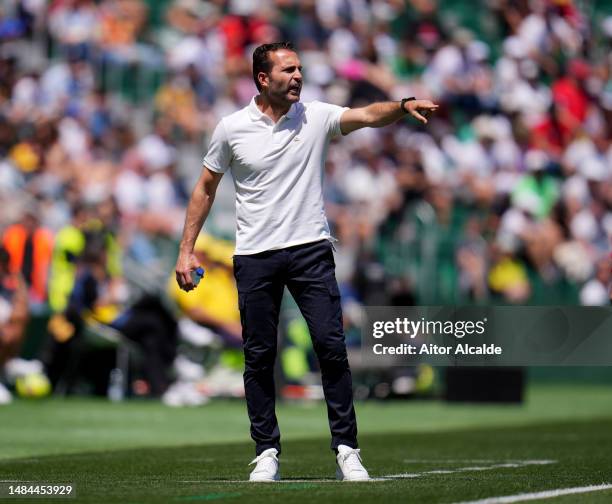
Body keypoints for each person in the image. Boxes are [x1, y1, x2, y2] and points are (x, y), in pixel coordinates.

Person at [174, 41, 438, 482]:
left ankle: (347, 450)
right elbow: (205, 187)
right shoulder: (232, 128)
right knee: (259, 357)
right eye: (288, 70)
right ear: (263, 78)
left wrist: (402, 104)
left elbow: (367, 115)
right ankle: (266, 452)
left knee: (332, 348)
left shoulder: (314, 116)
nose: (298, 76)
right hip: (255, 256)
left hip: (311, 250)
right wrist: (186, 249)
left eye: (300, 69)